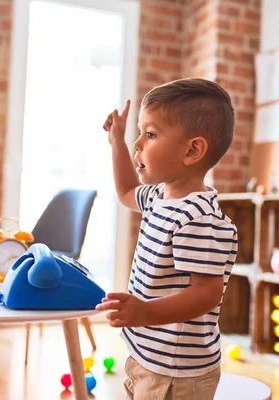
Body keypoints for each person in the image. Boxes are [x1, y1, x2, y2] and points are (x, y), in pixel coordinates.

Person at [96, 78, 238, 399]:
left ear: (192, 150)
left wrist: (145, 312)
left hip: (177, 371)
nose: (137, 144)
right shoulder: (160, 196)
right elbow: (125, 192)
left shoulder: (199, 218)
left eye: (150, 134)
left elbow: (206, 293)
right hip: (149, 354)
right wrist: (116, 141)